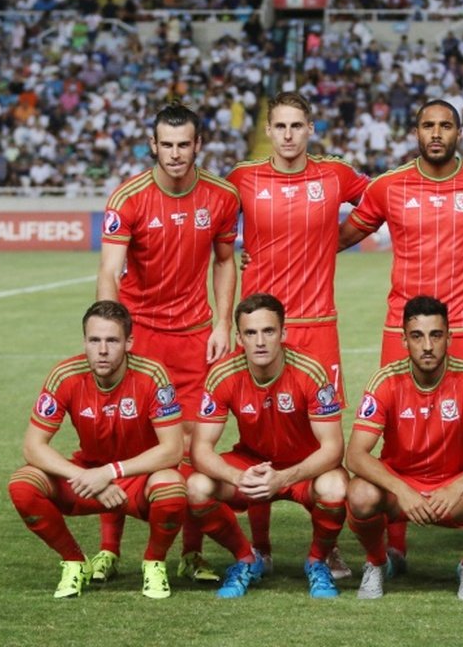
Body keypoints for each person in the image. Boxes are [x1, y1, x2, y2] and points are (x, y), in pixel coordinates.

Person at [338, 99, 463, 575]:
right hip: (403, 328)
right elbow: (336, 238)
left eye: (445, 125)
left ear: (459, 132)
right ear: (415, 131)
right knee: (398, 433)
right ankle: (394, 547)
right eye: (427, 125)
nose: (436, 133)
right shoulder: (388, 187)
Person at [96, 102, 240, 585]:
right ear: (152, 145)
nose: (176, 154)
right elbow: (109, 271)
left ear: (198, 145)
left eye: (185, 144)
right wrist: (113, 335)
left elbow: (224, 261)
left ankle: (191, 553)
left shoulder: (221, 196)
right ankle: (109, 550)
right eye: (167, 144)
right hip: (142, 337)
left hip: (196, 341)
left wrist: (223, 323)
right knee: (127, 441)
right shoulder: (128, 198)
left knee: (194, 449)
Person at [227, 91, 368, 579]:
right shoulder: (243, 177)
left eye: (297, 126)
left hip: (316, 326)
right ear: (269, 130)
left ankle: (325, 548)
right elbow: (211, 225)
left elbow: (384, 198)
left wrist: (340, 240)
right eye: (280, 126)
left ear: (311, 129)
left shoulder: (335, 174)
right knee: (259, 434)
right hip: (260, 329)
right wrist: (230, 254)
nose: (288, 135)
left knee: (320, 439)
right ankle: (261, 546)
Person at [8, 301, 186, 599]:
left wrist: (109, 473)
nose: (102, 350)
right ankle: (75, 562)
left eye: (112, 340)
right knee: (23, 485)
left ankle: (154, 562)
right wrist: (87, 476)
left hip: (136, 480)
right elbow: (32, 446)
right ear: (84, 342)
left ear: (129, 342)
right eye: (94, 340)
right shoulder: (65, 374)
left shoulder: (152, 375)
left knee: (172, 487)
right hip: (86, 479)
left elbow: (172, 450)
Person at [345, 296, 463, 600]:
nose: (427, 345)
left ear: (449, 338)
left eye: (436, 335)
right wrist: (401, 489)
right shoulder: (385, 381)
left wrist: (458, 486)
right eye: (417, 336)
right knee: (359, 493)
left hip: (454, 494)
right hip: (401, 494)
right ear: (404, 340)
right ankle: (376, 563)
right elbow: (355, 455)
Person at [186, 293, 347, 599]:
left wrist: (285, 478)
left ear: (283, 333)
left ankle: (317, 562)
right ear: (239, 338)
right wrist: (237, 477)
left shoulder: (310, 371)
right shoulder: (223, 374)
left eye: (268, 331)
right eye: (250, 333)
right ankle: (247, 558)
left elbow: (333, 448)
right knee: (196, 487)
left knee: (335, 487)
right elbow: (200, 449)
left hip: (303, 466)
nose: (260, 341)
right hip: (251, 463)